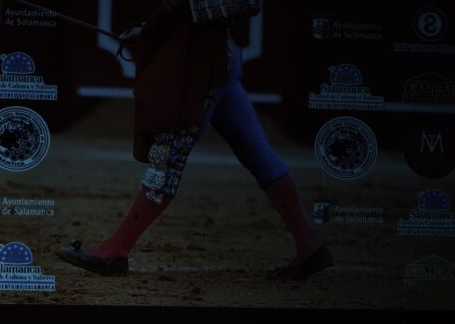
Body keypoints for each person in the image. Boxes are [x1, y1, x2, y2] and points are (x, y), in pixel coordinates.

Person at [58, 0, 332, 280]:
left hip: (203, 62)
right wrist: (152, 28)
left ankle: (116, 250)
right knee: (257, 153)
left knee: (167, 158)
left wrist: (176, 12)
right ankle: (308, 241)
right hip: (210, 55)